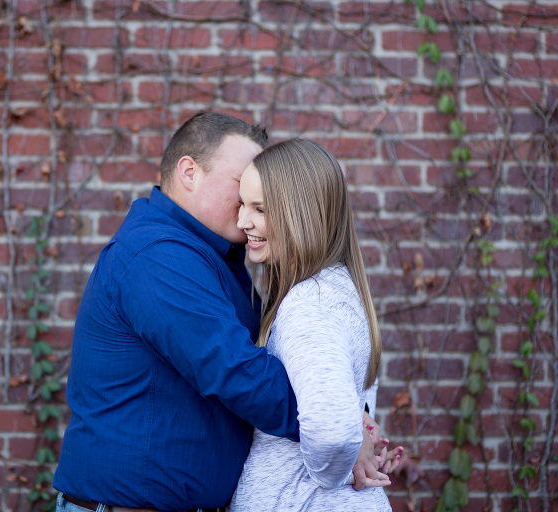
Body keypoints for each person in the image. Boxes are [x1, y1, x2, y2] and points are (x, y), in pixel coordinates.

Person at [53, 113, 391, 512]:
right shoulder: (157, 255)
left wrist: (351, 418)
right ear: (189, 172)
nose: (249, 200)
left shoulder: (216, 260)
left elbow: (298, 366)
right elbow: (232, 368)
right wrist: (341, 429)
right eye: (241, 184)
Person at [230, 138, 399, 511]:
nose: (243, 221)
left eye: (260, 208)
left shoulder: (311, 303)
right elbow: (356, 401)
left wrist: (334, 472)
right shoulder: (335, 290)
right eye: (243, 204)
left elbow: (333, 433)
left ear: (302, 213)